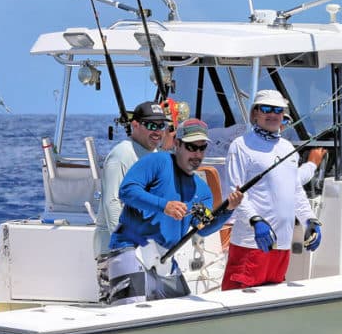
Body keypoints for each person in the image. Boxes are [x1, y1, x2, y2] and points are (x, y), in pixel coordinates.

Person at [105, 118, 243, 305]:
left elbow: (203, 227)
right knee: (130, 315)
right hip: (130, 249)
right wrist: (164, 205)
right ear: (177, 144)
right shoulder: (157, 161)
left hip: (165, 258)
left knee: (185, 312)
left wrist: (228, 210)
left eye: (201, 148)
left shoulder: (201, 190)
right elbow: (127, 191)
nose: (197, 154)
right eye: (191, 147)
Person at [222, 89, 322, 290]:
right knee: (239, 306)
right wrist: (255, 221)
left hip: (282, 246)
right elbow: (233, 192)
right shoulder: (241, 145)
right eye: (266, 108)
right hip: (250, 244)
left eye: (278, 110)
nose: (273, 114)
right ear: (255, 113)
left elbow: (295, 191)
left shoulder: (287, 148)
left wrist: (309, 220)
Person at [92, 101, 169, 257]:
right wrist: (127, 249)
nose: (157, 131)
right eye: (151, 125)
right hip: (119, 251)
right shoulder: (122, 155)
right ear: (135, 124)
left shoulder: (156, 156)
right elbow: (112, 204)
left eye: (161, 126)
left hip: (147, 251)